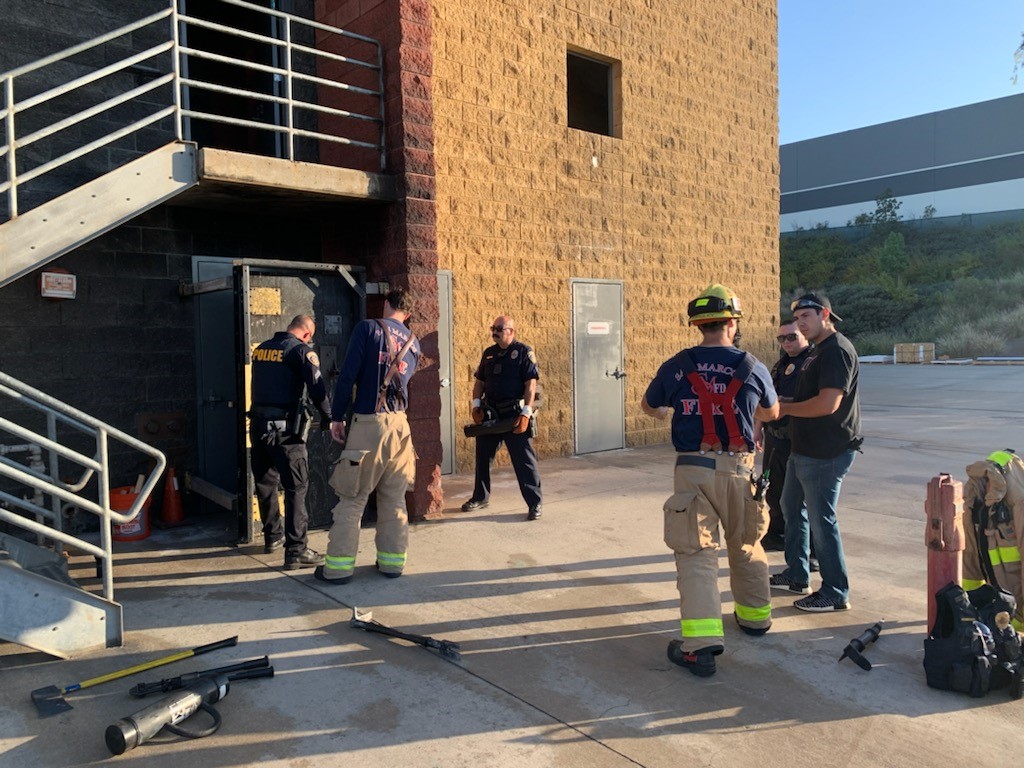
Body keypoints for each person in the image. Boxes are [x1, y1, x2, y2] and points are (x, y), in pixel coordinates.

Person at [641, 284, 779, 678]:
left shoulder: (676, 365)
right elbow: (772, 413)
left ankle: (700, 648)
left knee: (697, 555)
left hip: (693, 471)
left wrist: (666, 412)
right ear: (732, 323)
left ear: (699, 325)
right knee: (747, 544)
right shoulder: (753, 366)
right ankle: (755, 619)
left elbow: (649, 406)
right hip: (739, 469)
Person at [316, 288, 420, 585]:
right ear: (408, 313)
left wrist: (336, 417)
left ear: (386, 303)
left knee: (353, 497)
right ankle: (391, 564)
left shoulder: (369, 328)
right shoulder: (414, 344)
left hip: (370, 423)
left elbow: (347, 375)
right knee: (394, 497)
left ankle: (337, 569)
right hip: (401, 426)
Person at [769, 292, 862, 612]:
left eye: (805, 317)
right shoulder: (817, 351)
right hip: (803, 448)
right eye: (796, 319)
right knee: (790, 508)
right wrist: (779, 406)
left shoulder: (836, 351)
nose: (799, 324)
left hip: (827, 451)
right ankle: (797, 573)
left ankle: (836, 591)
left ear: (825, 313)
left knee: (823, 522)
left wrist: (784, 410)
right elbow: (804, 397)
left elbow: (827, 404)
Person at [249, 314, 331, 570]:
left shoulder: (261, 349)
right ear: (306, 334)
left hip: (258, 427)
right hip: (285, 432)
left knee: (265, 483)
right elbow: (317, 388)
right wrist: (329, 416)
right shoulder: (300, 352)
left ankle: (273, 537)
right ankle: (296, 550)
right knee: (296, 487)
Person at [460, 315, 542, 521]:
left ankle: (535, 503)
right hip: (491, 415)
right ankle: (480, 497)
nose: (494, 331)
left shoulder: (523, 352)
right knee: (482, 458)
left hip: (514, 416)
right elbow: (479, 382)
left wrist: (527, 413)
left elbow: (530, 384)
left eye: (499, 328)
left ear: (511, 331)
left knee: (524, 462)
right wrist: (476, 405)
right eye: (493, 327)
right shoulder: (489, 353)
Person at [754, 321, 814, 560]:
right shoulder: (781, 364)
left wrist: (784, 403)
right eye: (782, 339)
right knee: (772, 488)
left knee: (799, 498)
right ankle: (777, 532)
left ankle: (810, 549)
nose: (787, 343)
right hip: (774, 437)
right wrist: (758, 428)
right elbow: (765, 400)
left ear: (804, 335)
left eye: (792, 337)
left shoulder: (812, 362)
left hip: (798, 439)